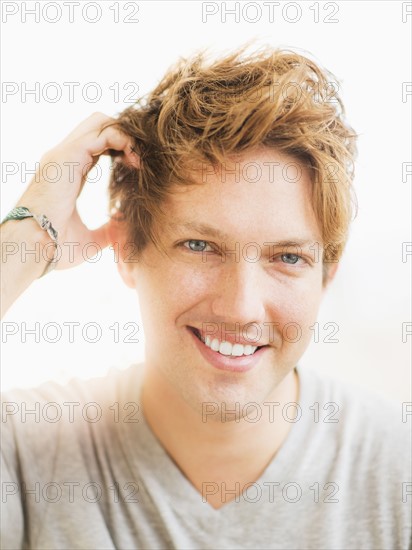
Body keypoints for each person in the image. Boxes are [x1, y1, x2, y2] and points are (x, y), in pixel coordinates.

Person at [1, 45, 410, 550]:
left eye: (287, 258)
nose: (241, 308)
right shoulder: (25, 451)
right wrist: (22, 245)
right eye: (200, 246)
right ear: (127, 248)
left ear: (326, 276)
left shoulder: (398, 472)